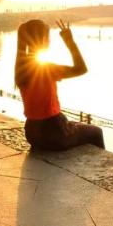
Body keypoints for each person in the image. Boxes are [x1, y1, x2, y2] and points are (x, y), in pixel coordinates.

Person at [14, 18, 105, 151]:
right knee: (96, 132)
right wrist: (69, 41)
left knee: (76, 125)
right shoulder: (46, 69)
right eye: (48, 37)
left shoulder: (20, 69)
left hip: (32, 134)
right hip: (55, 133)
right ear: (43, 39)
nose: (49, 41)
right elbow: (81, 69)